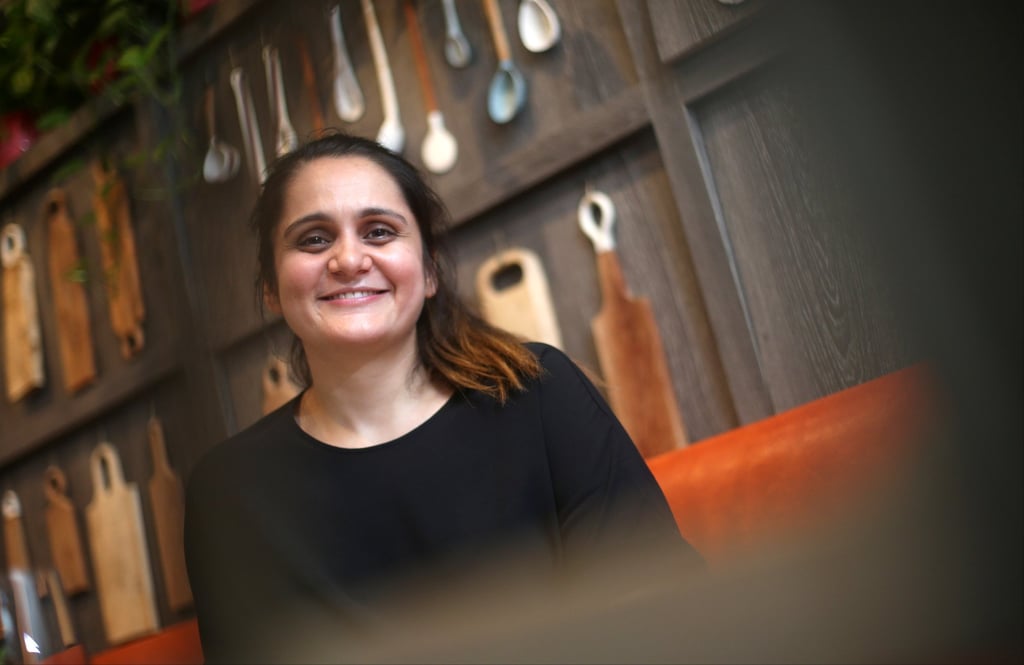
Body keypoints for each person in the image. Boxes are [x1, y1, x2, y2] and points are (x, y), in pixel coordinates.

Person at [184, 132, 699, 663]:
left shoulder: (538, 395)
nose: (348, 258)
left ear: (429, 270)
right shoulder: (229, 492)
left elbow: (657, 608)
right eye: (314, 239)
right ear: (270, 287)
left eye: (379, 231)